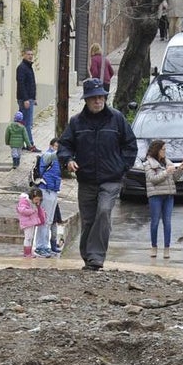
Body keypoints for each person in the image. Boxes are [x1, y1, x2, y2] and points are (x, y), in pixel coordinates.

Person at [57, 77, 138, 271]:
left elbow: (130, 145)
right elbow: (65, 145)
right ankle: (89, 258)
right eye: (93, 98)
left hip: (111, 179)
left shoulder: (116, 119)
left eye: (101, 97)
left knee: (103, 212)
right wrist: (68, 161)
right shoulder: (77, 122)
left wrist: (122, 167)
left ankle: (96, 257)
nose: (98, 101)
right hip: (86, 179)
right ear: (86, 100)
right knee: (88, 220)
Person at [143, 138, 183, 259]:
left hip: (168, 196)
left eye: (165, 149)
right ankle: (154, 247)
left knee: (167, 222)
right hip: (155, 196)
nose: (164, 151)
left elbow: (174, 179)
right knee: (155, 222)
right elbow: (154, 180)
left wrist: (179, 170)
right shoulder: (148, 164)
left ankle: (167, 248)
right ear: (157, 150)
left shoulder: (168, 162)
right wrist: (166, 172)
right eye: (163, 149)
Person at [33, 138, 62, 257]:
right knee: (43, 220)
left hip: (53, 191)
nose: (57, 148)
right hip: (45, 190)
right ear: (51, 145)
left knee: (49, 221)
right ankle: (40, 247)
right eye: (56, 146)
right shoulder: (47, 155)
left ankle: (45, 246)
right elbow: (54, 155)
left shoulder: (57, 159)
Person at [15, 48, 38, 151]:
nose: (30, 56)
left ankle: (22, 143)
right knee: (27, 123)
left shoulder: (28, 67)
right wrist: (26, 99)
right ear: (23, 55)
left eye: (31, 54)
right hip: (25, 99)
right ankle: (30, 145)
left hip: (29, 98)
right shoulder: (22, 68)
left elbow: (31, 84)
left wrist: (34, 98)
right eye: (28, 54)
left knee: (24, 122)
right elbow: (21, 84)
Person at [16, 187, 47, 259]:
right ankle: (27, 253)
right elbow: (22, 210)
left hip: (31, 222)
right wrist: (32, 211)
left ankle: (29, 251)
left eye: (39, 199)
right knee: (28, 238)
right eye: (36, 199)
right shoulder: (24, 201)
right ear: (32, 197)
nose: (37, 201)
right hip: (26, 222)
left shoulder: (33, 203)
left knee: (30, 237)